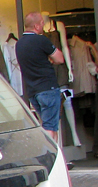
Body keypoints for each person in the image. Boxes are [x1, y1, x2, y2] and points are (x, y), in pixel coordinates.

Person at [15, 11, 66, 144]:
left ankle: (55, 157)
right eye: (42, 24)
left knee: (46, 124)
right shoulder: (41, 40)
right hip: (48, 88)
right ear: (37, 26)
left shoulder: (19, 44)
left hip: (33, 90)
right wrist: (50, 59)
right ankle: (50, 157)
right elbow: (60, 58)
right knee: (50, 127)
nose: (43, 27)